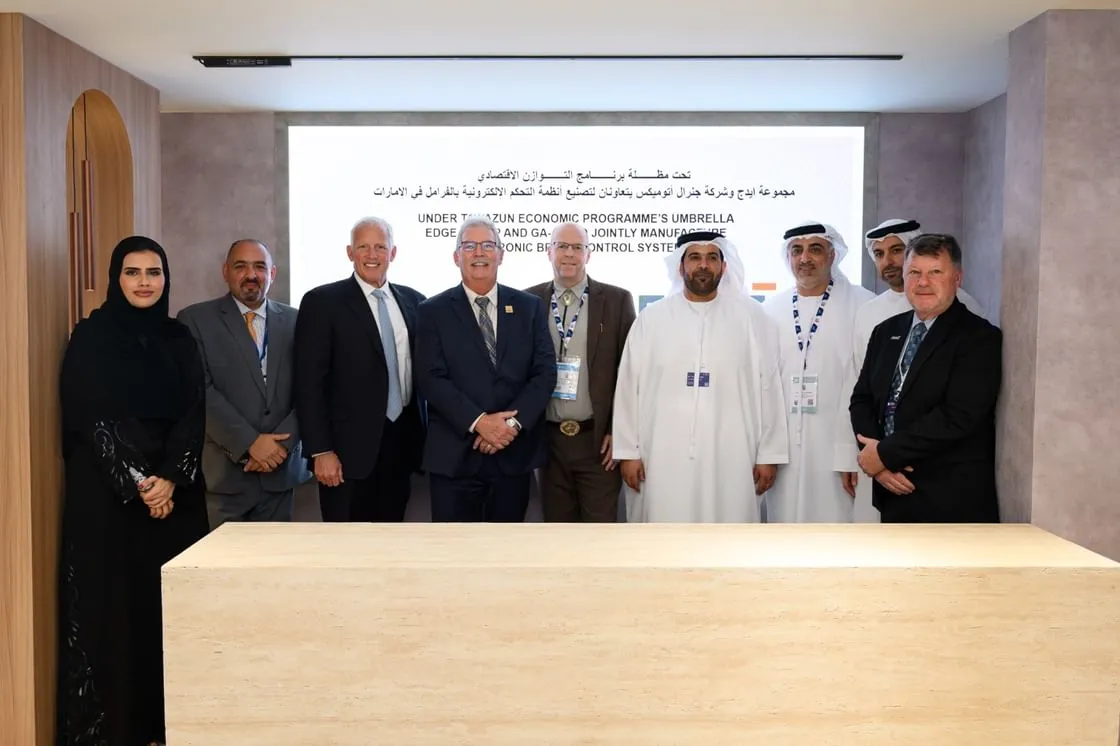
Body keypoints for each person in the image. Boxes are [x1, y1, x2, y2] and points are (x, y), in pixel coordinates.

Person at [57, 235, 209, 746]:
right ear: (115, 278)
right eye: (132, 272)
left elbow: (193, 413)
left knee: (168, 615)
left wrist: (171, 476)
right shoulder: (92, 337)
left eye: (154, 273)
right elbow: (88, 415)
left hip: (175, 497)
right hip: (109, 501)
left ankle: (171, 729)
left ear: (166, 279)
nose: (144, 282)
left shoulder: (179, 339)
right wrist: (139, 481)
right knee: (114, 615)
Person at [612, 230, 788, 522]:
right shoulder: (652, 319)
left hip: (732, 454)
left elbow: (769, 388)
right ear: (680, 267)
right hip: (662, 454)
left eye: (711, 258)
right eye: (694, 258)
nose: (703, 265)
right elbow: (629, 387)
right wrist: (628, 451)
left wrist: (768, 454)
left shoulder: (753, 319)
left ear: (724, 266)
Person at [837, 218, 985, 522]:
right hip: (891, 491)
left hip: (944, 496)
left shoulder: (978, 336)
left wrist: (884, 456)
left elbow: (957, 417)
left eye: (935, 273)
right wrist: (879, 464)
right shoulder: (885, 330)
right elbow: (861, 398)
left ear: (957, 278)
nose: (922, 282)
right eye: (914, 273)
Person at [415, 215, 556, 521]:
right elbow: (430, 378)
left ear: (501, 255)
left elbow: (544, 374)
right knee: (453, 559)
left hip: (512, 455)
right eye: (469, 246)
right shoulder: (431, 311)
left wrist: (509, 427)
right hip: (454, 459)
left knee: (505, 558)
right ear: (456, 257)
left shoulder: (529, 307)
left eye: (488, 245)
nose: (479, 253)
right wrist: (479, 422)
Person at [294, 217, 426, 522]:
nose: (372, 254)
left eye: (380, 247)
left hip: (401, 448)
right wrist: (320, 450)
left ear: (393, 253)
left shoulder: (416, 302)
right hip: (344, 455)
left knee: (390, 545)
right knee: (346, 553)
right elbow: (308, 383)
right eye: (363, 247)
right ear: (349, 252)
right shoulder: (322, 303)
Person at [178, 239, 309, 529]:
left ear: (272, 274)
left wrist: (280, 448)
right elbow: (201, 391)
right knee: (222, 571)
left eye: (259, 267)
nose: (251, 275)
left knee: (274, 570)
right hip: (225, 477)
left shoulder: (298, 321)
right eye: (241, 266)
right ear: (226, 271)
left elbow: (310, 390)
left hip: (280, 474)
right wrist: (249, 444)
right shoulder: (195, 320)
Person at [762, 221, 875, 522]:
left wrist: (849, 449)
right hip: (784, 448)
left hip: (840, 445)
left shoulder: (862, 304)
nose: (805, 258)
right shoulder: (770, 309)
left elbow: (866, 384)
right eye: (796, 251)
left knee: (838, 523)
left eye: (815, 249)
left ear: (833, 255)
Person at [524, 222, 637, 522]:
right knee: (557, 538)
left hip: (598, 443)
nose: (569, 254)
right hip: (547, 444)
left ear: (589, 254)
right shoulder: (527, 301)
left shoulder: (616, 301)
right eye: (562, 246)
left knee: (599, 539)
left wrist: (619, 431)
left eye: (577, 247)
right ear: (549, 252)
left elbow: (630, 375)